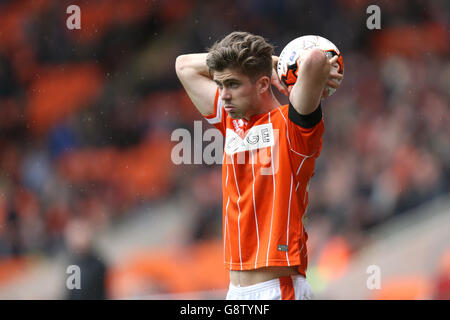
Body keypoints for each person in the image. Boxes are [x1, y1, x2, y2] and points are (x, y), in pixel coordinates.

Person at [175, 31, 343, 300]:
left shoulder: (294, 129)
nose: (224, 95)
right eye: (220, 85)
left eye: (232, 84)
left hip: (279, 289)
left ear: (263, 84)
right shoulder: (232, 121)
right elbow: (183, 65)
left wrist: (280, 65)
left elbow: (313, 59)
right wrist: (270, 61)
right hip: (237, 292)